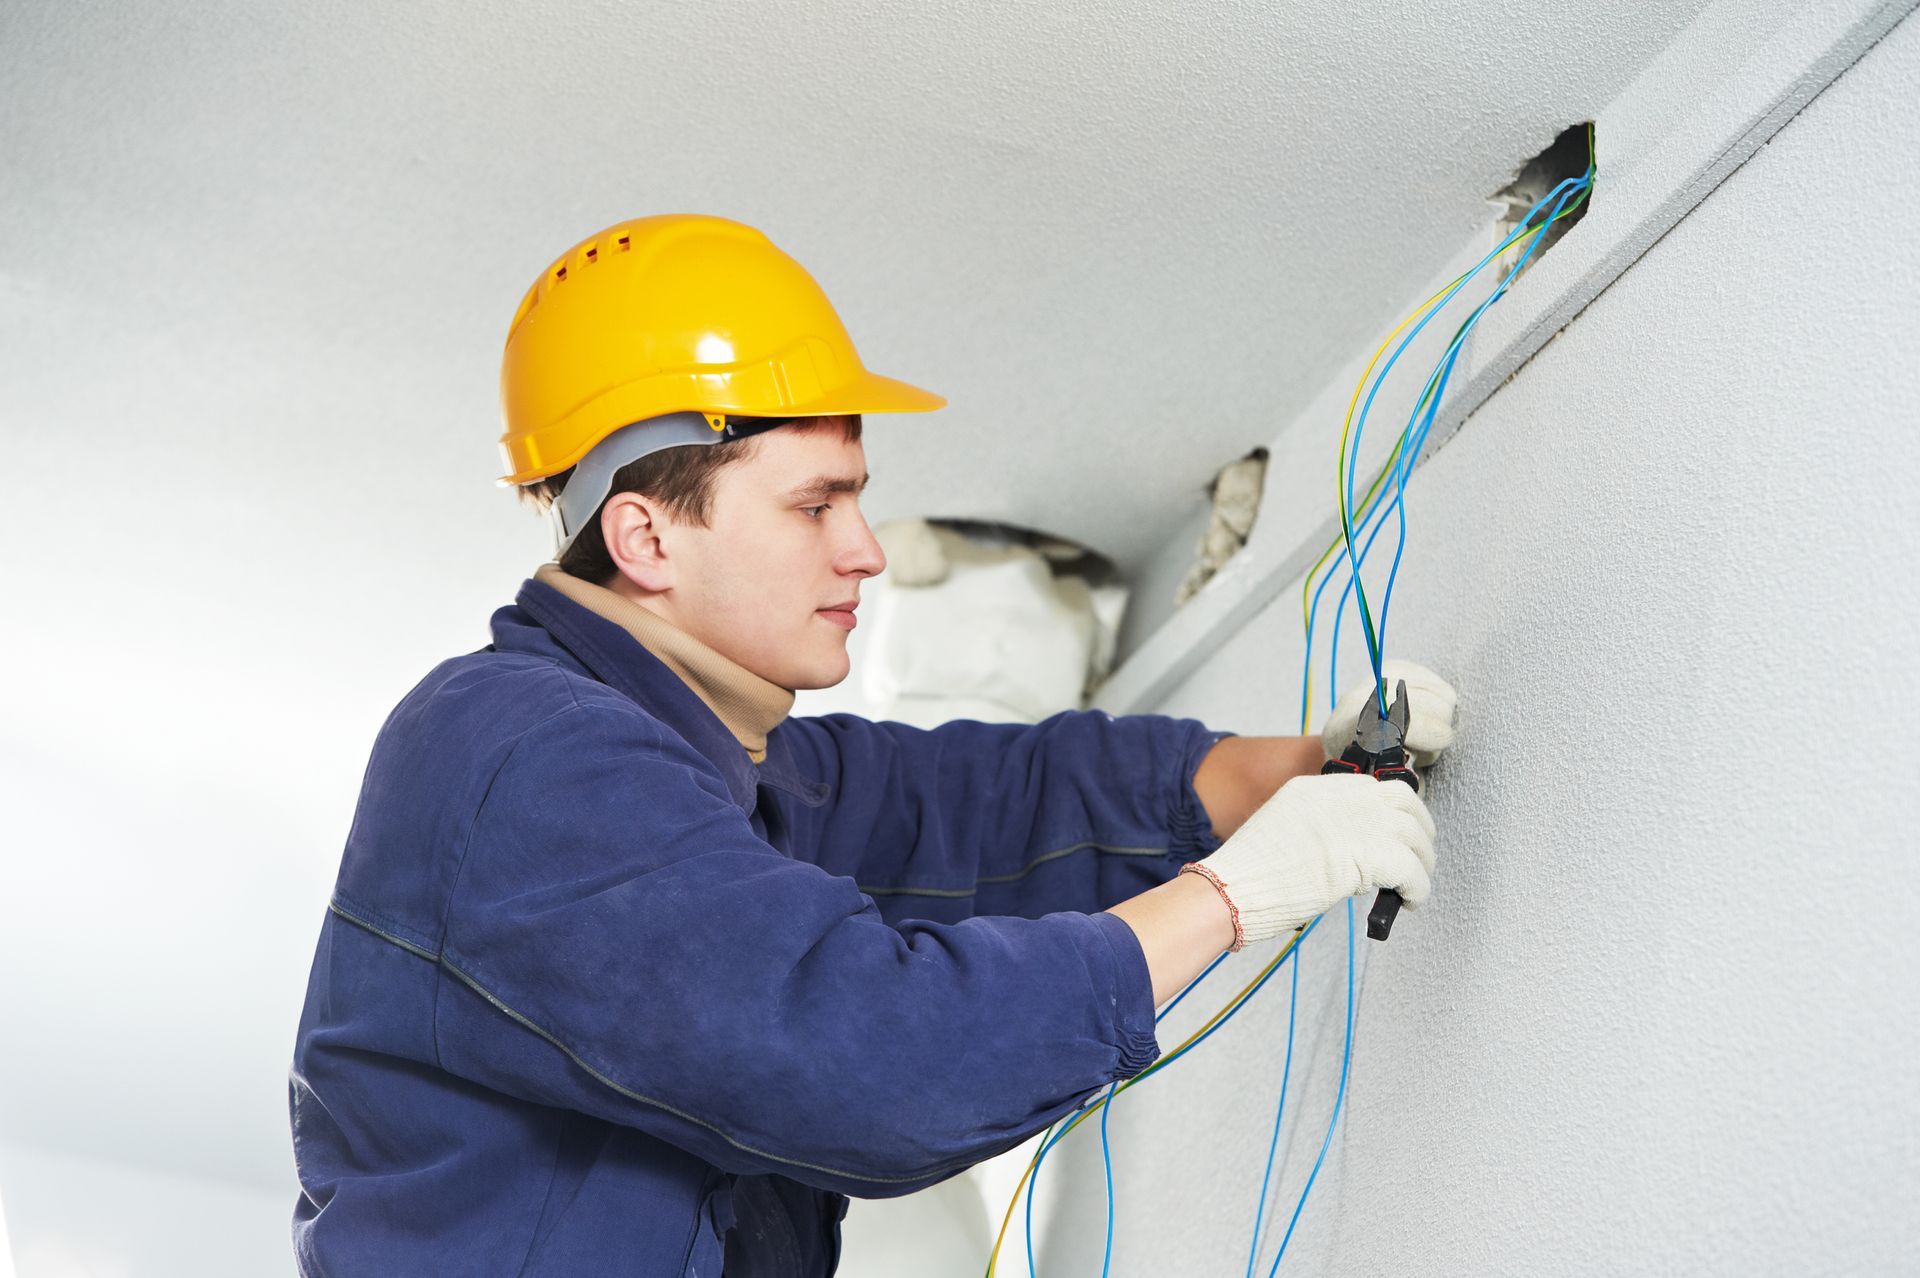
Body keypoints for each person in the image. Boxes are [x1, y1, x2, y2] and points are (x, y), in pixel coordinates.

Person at [288, 214, 1456, 1276]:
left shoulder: (710, 770)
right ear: (644, 536)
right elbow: (867, 1063)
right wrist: (1234, 898)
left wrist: (1285, 769)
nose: (867, 550)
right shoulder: (528, 761)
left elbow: (972, 811)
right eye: (814, 505)